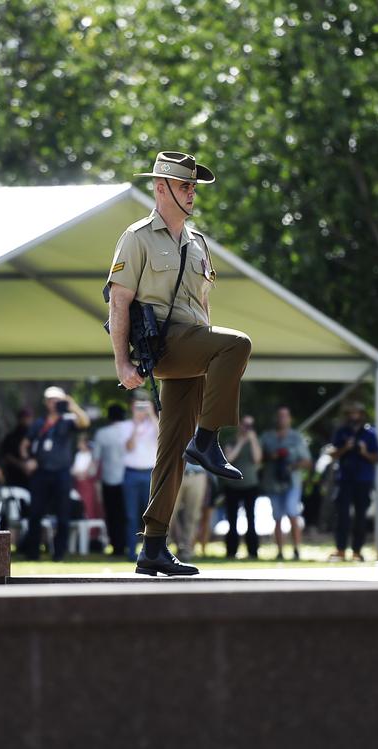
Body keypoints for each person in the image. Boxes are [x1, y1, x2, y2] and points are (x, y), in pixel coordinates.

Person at [105, 150, 251, 576]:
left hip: (193, 343)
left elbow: (202, 306)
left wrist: (207, 353)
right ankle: (207, 440)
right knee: (238, 344)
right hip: (164, 343)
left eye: (193, 186)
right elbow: (119, 301)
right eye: (185, 185)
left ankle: (152, 547)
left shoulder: (198, 242)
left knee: (170, 451)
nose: (192, 193)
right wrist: (121, 364)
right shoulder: (137, 237)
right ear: (160, 187)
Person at [22, 386, 90, 560]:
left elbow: (84, 422)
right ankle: (33, 553)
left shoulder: (68, 420)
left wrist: (72, 405)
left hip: (62, 473)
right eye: (51, 400)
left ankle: (59, 554)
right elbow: (24, 445)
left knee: (63, 514)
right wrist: (28, 459)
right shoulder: (39, 422)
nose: (54, 403)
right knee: (36, 513)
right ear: (46, 402)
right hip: (41, 472)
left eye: (57, 400)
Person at [329, 402, 378, 562]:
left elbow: (377, 458)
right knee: (342, 516)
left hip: (363, 480)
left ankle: (357, 551)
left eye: (356, 413)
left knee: (360, 517)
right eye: (351, 413)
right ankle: (340, 550)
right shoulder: (342, 432)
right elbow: (333, 453)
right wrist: (345, 448)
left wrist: (364, 452)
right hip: (344, 479)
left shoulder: (370, 434)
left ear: (362, 415)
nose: (353, 416)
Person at [259, 406, 312, 561]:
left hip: (292, 482)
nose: (282, 419)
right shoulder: (267, 437)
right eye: (280, 416)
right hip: (272, 482)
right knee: (277, 517)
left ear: (290, 419)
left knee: (292, 513)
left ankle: (296, 550)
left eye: (285, 416)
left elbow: (308, 462)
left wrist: (292, 465)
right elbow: (258, 458)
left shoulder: (296, 438)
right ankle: (280, 551)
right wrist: (271, 456)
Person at [121, 397, 159, 561]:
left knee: (150, 516)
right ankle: (131, 551)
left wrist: (152, 414)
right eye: (138, 407)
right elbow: (129, 446)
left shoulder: (153, 424)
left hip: (150, 473)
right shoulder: (126, 426)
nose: (141, 410)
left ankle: (151, 551)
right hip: (131, 474)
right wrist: (136, 425)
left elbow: (162, 435)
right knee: (131, 515)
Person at [222, 415, 264, 559]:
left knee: (251, 519)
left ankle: (253, 552)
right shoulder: (231, 441)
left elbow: (257, 459)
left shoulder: (255, 442)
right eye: (245, 425)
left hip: (250, 485)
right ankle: (231, 551)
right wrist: (240, 443)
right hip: (232, 486)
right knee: (232, 520)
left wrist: (252, 440)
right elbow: (229, 459)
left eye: (250, 426)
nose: (247, 428)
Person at [91, 403, 128, 558]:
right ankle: (130, 545)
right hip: (129, 477)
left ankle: (117, 547)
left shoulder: (102, 434)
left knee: (113, 515)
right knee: (129, 514)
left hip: (109, 479)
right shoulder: (130, 430)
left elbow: (95, 459)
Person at [0, 407, 34, 532]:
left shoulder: (34, 436)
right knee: (8, 511)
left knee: (29, 511)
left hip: (31, 481)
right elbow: (5, 455)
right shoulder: (11, 437)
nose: (26, 421)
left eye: (28, 418)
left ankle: (28, 541)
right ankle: (2, 537)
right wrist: (21, 465)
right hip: (13, 479)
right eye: (24, 418)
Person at [171, 459, 207, 562]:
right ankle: (166, 547)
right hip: (175, 472)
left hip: (198, 474)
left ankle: (186, 550)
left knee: (192, 515)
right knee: (169, 514)